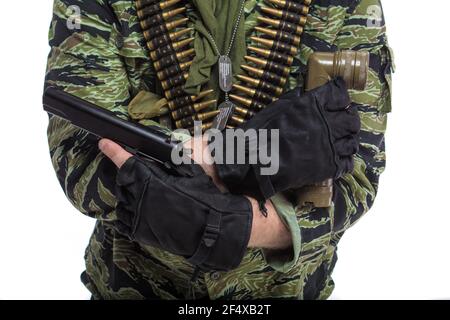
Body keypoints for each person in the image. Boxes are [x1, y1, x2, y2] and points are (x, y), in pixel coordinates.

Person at [44, 0, 393, 300]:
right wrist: (233, 156)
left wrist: (252, 227)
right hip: (135, 286)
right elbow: (80, 157)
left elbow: (357, 174)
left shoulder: (346, 6)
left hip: (286, 291)